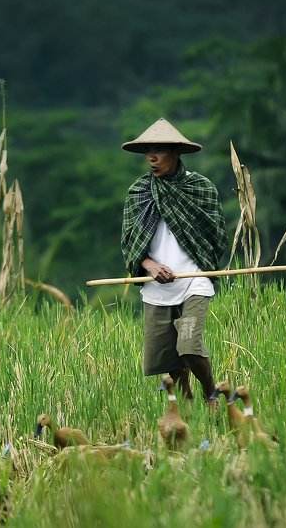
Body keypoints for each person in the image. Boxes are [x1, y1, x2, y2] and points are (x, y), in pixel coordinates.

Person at [120, 118, 227, 405]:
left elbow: (215, 235)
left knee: (189, 346)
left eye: (159, 150)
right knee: (172, 362)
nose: (152, 158)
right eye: (148, 152)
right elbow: (129, 243)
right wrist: (150, 265)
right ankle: (189, 412)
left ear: (177, 152)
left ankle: (210, 393)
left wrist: (204, 268)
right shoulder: (138, 193)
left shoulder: (200, 188)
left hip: (194, 280)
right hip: (156, 288)